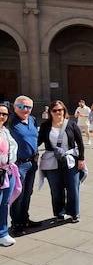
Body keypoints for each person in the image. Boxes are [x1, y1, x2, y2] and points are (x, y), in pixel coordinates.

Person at [38, 100, 85, 223]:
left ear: (64, 111)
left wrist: (81, 159)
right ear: (50, 112)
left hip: (70, 160)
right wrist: (33, 153)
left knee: (73, 187)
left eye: (60, 110)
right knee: (56, 189)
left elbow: (80, 143)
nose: (58, 112)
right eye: (55, 110)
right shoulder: (45, 126)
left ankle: (74, 212)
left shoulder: (71, 124)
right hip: (52, 160)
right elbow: (38, 141)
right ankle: (59, 213)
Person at [9, 95, 41, 237]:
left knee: (28, 192)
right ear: (15, 107)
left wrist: (36, 152)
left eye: (28, 107)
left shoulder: (32, 120)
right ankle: (16, 224)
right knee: (18, 194)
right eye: (21, 106)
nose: (25, 109)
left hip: (32, 163)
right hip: (18, 165)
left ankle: (24, 219)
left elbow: (34, 138)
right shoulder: (10, 121)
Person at [0, 104, 21, 246]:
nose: (1, 117)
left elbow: (13, 147)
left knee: (4, 204)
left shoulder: (5, 131)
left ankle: (3, 232)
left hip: (8, 172)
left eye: (4, 114)